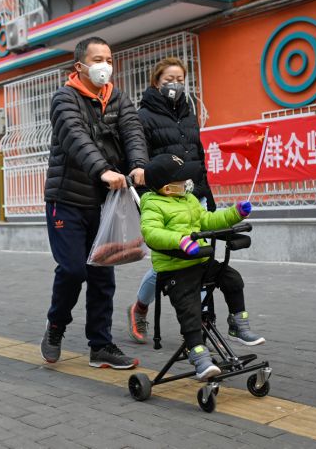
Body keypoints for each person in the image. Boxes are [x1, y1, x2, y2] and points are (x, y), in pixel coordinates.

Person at [127, 59, 264, 346]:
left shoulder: (189, 114)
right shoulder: (143, 116)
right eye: (168, 79)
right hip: (163, 193)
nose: (174, 84)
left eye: (180, 79)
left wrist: (207, 195)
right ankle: (140, 307)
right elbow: (140, 155)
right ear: (156, 82)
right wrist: (150, 186)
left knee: (202, 255)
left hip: (194, 191)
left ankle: (202, 320)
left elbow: (198, 157)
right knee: (167, 260)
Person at [41, 36, 148, 369]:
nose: (105, 66)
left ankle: (100, 345)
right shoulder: (64, 98)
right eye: (98, 59)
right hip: (67, 200)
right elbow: (75, 136)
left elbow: (132, 131)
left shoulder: (116, 97)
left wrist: (138, 164)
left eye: (109, 59)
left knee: (102, 273)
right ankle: (56, 325)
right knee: (73, 270)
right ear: (80, 66)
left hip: (105, 203)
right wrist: (102, 170)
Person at [139, 153, 252, 380]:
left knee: (232, 278)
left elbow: (208, 221)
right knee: (189, 305)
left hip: (200, 261)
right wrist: (179, 241)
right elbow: (151, 233)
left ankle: (238, 323)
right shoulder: (152, 204)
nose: (187, 183)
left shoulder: (189, 200)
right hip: (175, 268)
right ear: (167, 188)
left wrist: (234, 214)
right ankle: (197, 352)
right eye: (182, 180)